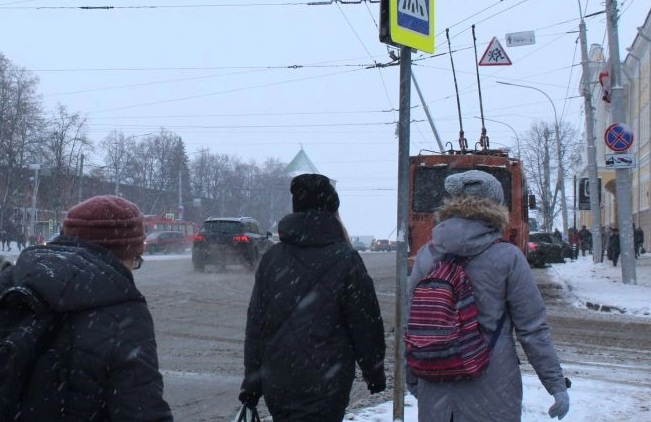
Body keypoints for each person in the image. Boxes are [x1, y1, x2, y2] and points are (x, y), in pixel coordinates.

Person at [0, 195, 172, 420]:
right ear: (122, 255)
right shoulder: (125, 311)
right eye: (135, 261)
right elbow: (142, 410)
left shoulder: (2, 286)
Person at [405, 170, 569, 421]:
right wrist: (555, 385)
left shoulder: (427, 254)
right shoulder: (508, 257)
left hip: (435, 384)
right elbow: (532, 329)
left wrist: (414, 378)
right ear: (496, 207)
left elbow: (412, 324)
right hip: (492, 385)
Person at [240, 173, 386, 420]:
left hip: (279, 380)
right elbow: (365, 323)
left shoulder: (273, 259)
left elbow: (256, 325)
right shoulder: (346, 258)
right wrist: (374, 373)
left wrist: (252, 383)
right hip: (328, 381)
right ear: (332, 211)